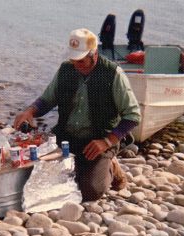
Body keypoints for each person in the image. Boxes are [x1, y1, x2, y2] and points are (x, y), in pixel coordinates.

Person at [14, 28, 141, 202]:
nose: (76, 65)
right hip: (66, 138)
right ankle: (82, 166)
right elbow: (47, 100)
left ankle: (111, 165)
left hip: (98, 141)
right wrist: (29, 111)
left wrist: (107, 142)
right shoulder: (66, 69)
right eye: (74, 60)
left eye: (81, 61)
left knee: (91, 191)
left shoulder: (113, 74)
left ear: (94, 55)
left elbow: (133, 116)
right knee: (32, 177)